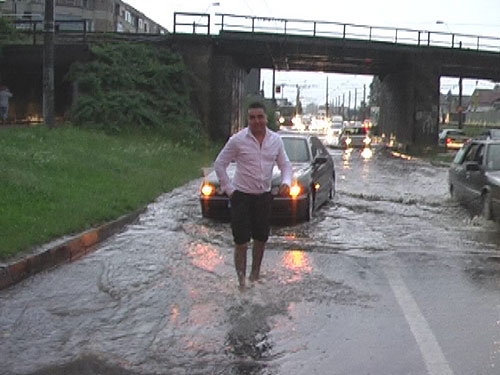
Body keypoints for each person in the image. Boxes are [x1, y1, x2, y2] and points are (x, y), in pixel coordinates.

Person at [214, 101, 293, 291]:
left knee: (261, 239)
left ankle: (254, 276)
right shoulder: (237, 140)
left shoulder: (276, 140)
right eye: (252, 117)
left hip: (263, 196)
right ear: (247, 119)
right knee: (241, 241)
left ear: (266, 118)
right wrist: (230, 190)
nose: (256, 121)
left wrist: (286, 183)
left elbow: (286, 165)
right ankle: (241, 282)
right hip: (241, 196)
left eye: (260, 117)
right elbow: (219, 164)